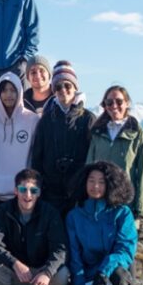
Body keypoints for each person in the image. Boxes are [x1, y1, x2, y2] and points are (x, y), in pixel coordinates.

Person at [86, 85, 143, 285]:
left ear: (128, 103)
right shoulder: (98, 133)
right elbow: (89, 166)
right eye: (109, 102)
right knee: (103, 249)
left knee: (126, 253)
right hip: (100, 202)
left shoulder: (138, 134)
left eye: (119, 101)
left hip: (125, 206)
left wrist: (139, 212)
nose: (114, 106)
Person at [0, 169, 69, 285]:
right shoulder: (4, 211)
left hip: (41, 276)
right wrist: (14, 263)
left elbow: (60, 249)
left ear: (39, 193)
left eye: (33, 190)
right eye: (23, 189)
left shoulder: (50, 213)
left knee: (63, 273)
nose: (27, 195)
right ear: (16, 190)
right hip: (16, 273)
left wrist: (47, 272)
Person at [66, 161, 137, 285]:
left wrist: (103, 271)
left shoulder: (122, 213)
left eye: (101, 181)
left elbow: (125, 249)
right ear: (84, 183)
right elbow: (74, 255)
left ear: (111, 185)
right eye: (91, 180)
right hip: (88, 278)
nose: (95, 186)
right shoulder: (74, 216)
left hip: (111, 274)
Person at [31, 61, 95, 216]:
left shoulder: (88, 119)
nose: (63, 90)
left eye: (67, 85)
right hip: (51, 193)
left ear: (75, 87)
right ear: (53, 90)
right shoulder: (46, 120)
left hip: (80, 193)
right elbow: (37, 157)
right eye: (58, 86)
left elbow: (94, 156)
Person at [0, 72, 39, 215]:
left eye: (13, 90)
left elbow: (36, 155)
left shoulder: (32, 120)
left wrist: (30, 184)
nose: (8, 95)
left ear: (19, 92)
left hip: (23, 193)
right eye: (4, 90)